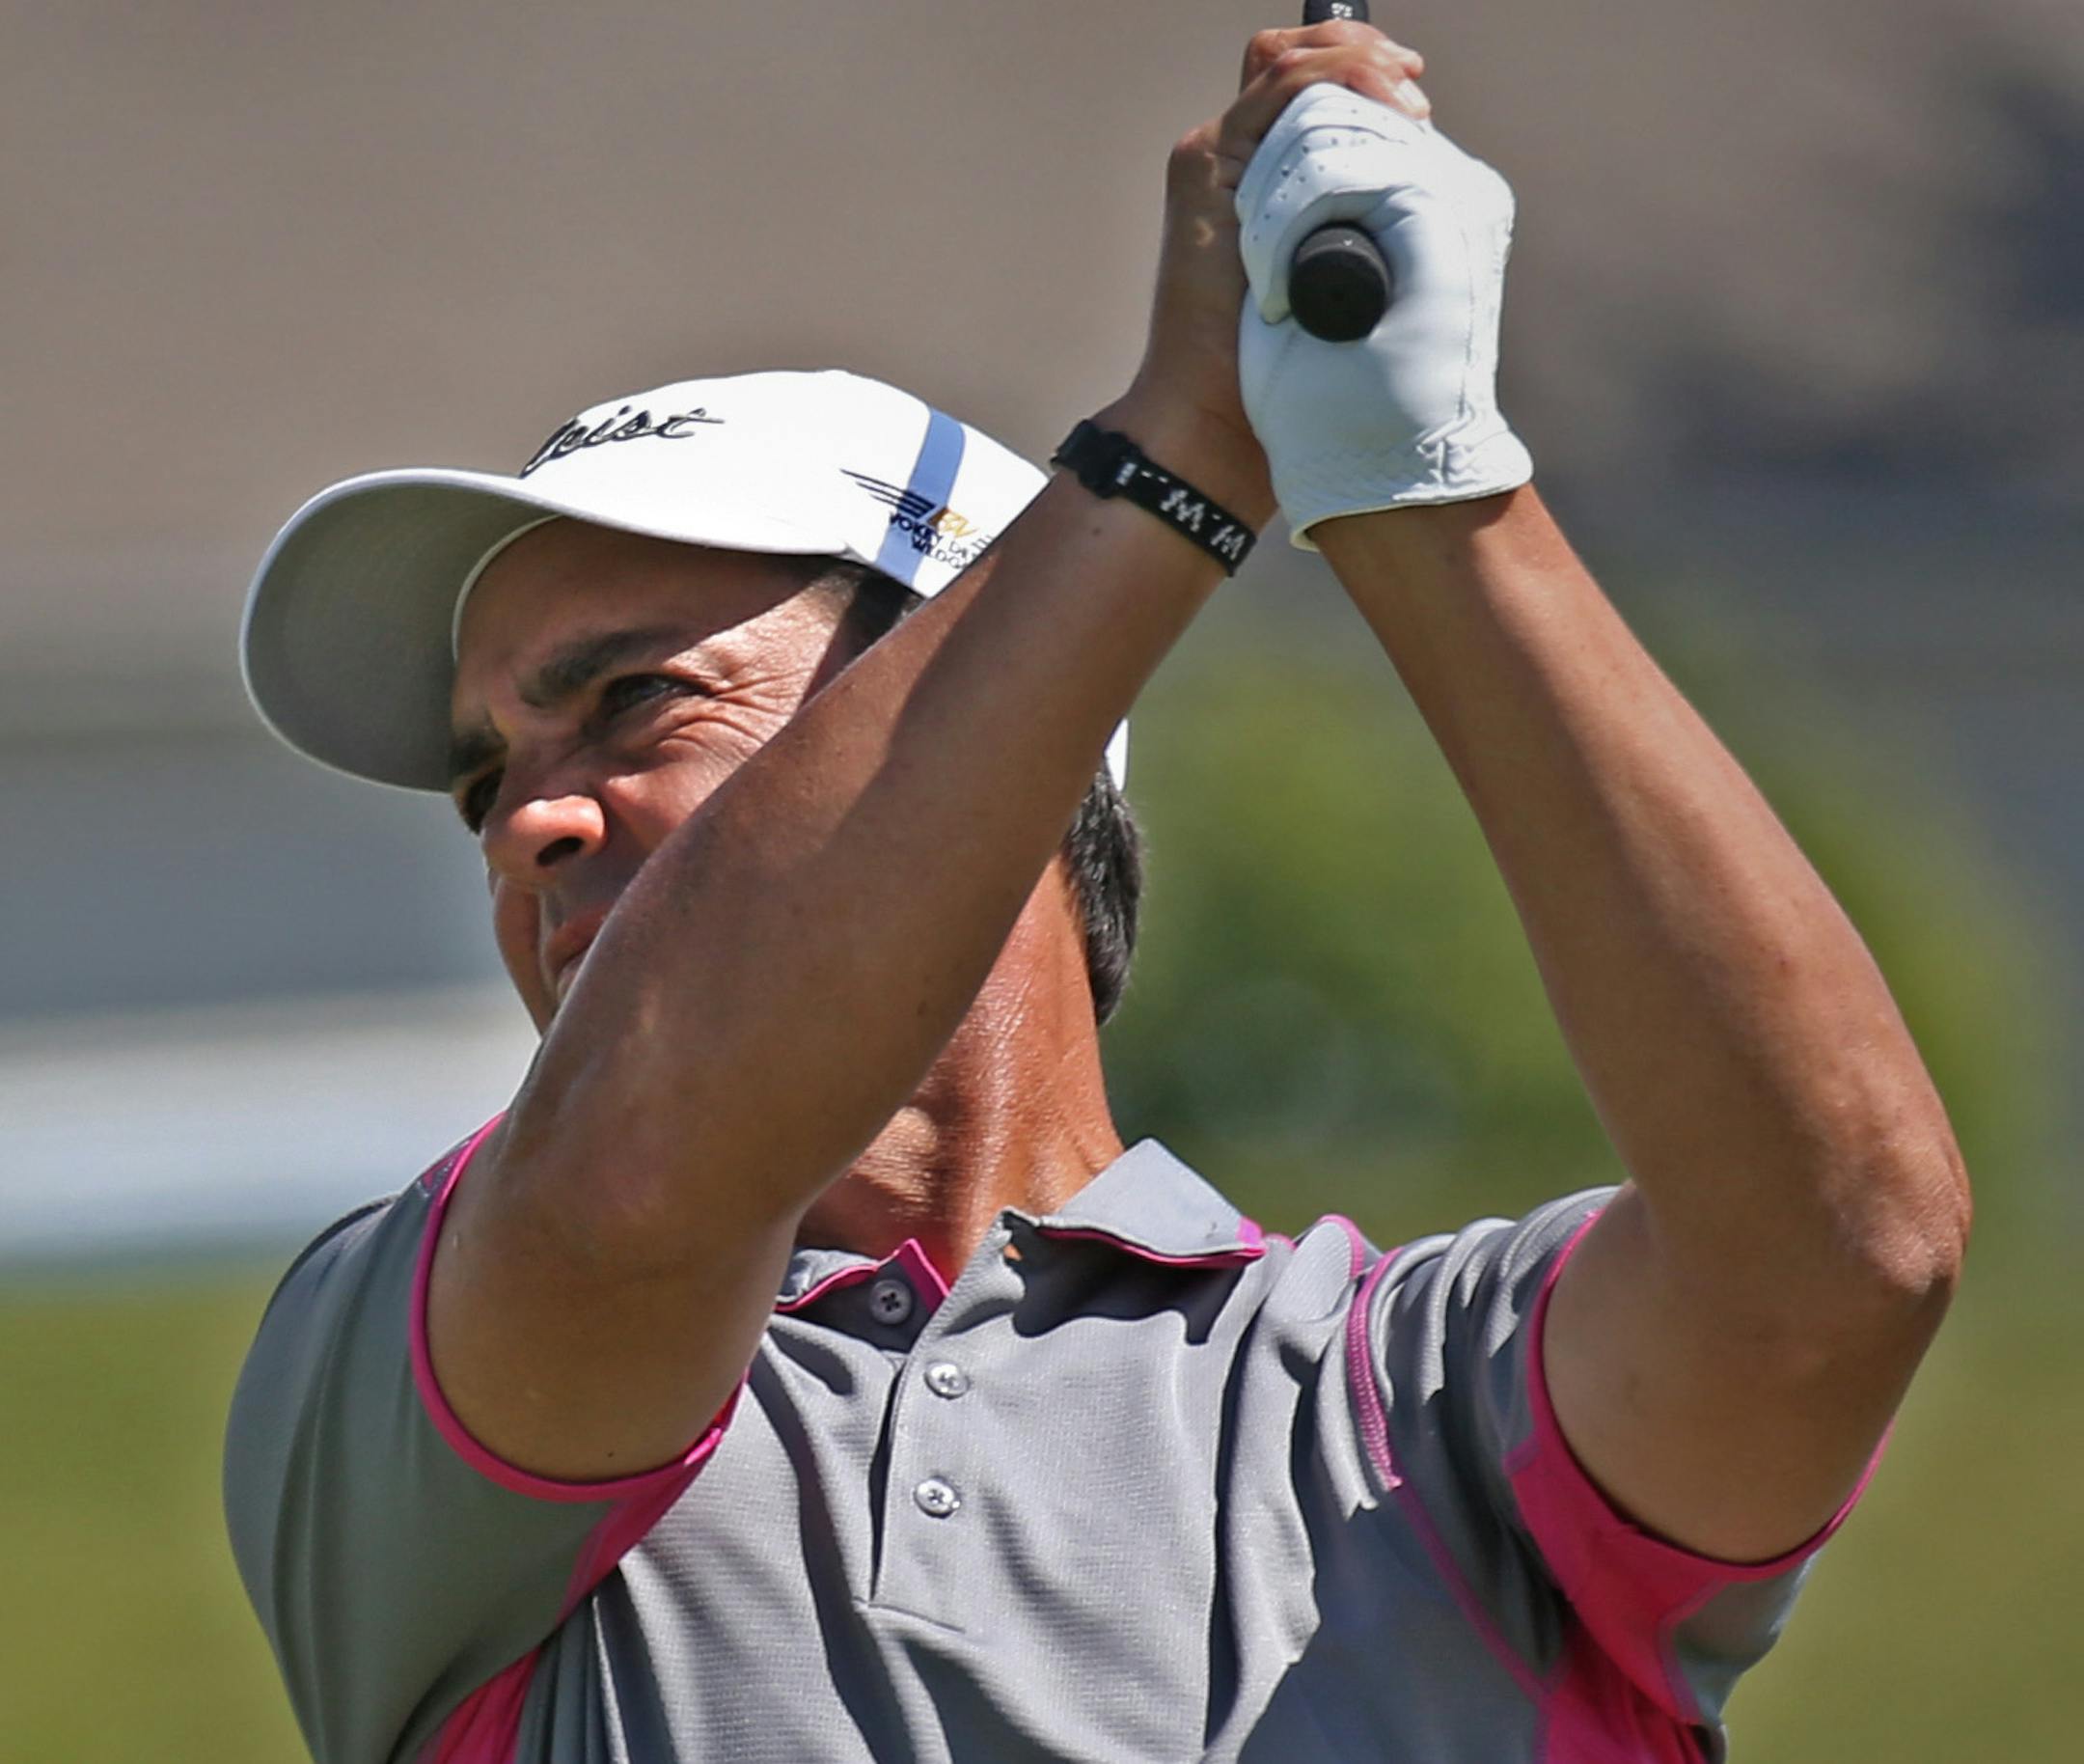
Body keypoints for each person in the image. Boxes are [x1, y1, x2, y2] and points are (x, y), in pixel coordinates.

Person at [224, 20, 1968, 1764]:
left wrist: (1424, 485)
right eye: (485, 779)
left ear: (1010, 729)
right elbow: (640, 1175)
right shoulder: (403, 1369)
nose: (527, 822)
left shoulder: (1412, 1400)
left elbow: (1839, 1263)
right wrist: (1185, 452)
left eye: (633, 705)